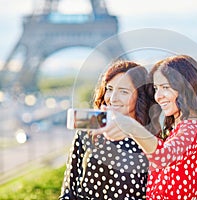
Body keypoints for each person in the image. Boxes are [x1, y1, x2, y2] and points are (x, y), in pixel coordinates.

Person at [93, 55, 197, 200]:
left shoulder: (193, 128)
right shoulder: (180, 129)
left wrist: (129, 125)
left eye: (165, 87)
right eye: (156, 88)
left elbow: (162, 156)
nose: (158, 96)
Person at [59, 60, 158, 199]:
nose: (112, 99)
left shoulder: (150, 138)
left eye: (123, 92)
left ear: (140, 96)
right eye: (109, 89)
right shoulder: (88, 129)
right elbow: (69, 188)